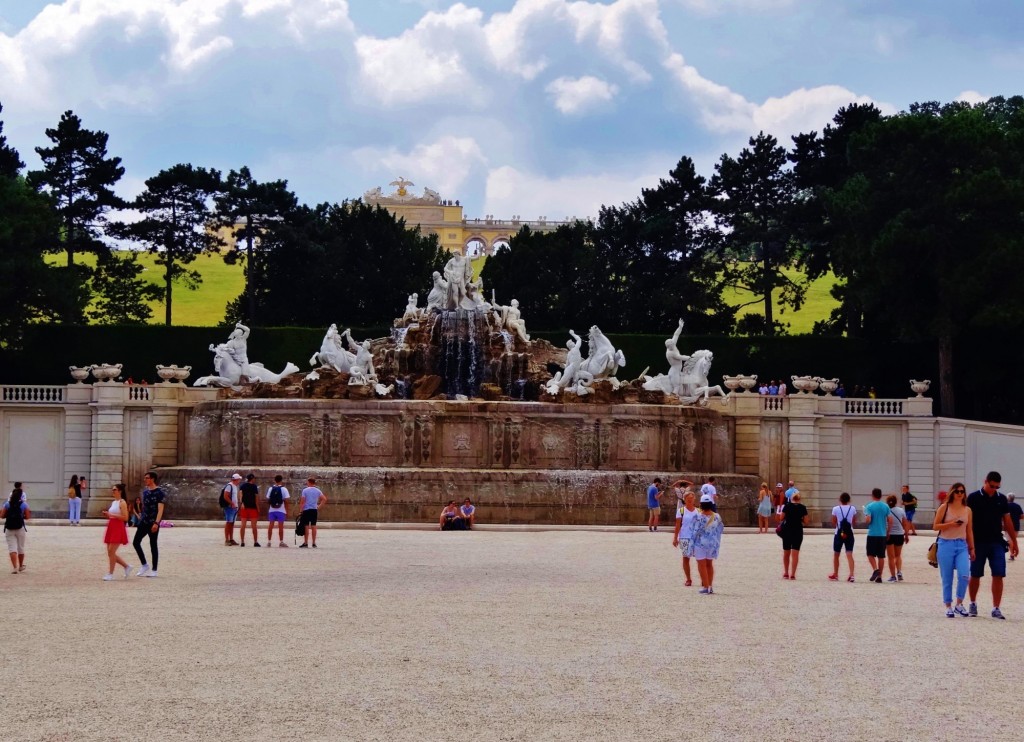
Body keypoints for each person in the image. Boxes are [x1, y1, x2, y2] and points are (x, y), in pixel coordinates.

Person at [966, 472, 1019, 619]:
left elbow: (1008, 522)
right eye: (992, 486)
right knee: (975, 574)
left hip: (996, 541)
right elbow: (967, 521)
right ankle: (972, 602)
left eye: (997, 487)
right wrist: (968, 543)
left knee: (998, 574)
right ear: (985, 481)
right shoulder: (973, 498)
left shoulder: (1001, 499)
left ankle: (996, 607)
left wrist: (1014, 541)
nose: (994, 489)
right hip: (978, 542)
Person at [934, 483, 974, 617]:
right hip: (946, 543)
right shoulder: (944, 507)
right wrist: (951, 524)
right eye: (957, 491)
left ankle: (959, 603)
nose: (960, 494)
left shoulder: (967, 510)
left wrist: (972, 548)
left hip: (961, 545)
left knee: (964, 574)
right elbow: (935, 526)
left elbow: (969, 531)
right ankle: (948, 605)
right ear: (952, 492)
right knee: (947, 577)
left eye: (962, 491)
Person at [133, 471, 165, 578]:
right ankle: (144, 564)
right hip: (144, 521)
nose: (145, 480)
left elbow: (160, 509)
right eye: (145, 478)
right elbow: (144, 507)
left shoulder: (160, 492)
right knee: (136, 542)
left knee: (153, 545)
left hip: (153, 522)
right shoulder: (145, 492)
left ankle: (154, 570)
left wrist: (157, 522)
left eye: (147, 478)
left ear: (152, 479)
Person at [691, 495, 724, 594]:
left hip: (700, 543)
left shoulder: (698, 516)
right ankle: (710, 585)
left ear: (701, 505)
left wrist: (691, 543)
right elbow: (720, 529)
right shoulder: (717, 516)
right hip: (712, 543)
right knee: (709, 564)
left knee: (701, 565)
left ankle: (706, 586)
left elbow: (694, 530)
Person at [101, 483, 132, 581]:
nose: (113, 491)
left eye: (114, 490)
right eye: (113, 490)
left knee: (111, 551)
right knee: (110, 552)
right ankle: (126, 566)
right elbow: (114, 515)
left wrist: (111, 514)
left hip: (118, 527)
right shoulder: (114, 502)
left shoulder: (122, 502)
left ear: (120, 491)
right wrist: (108, 515)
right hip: (112, 525)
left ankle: (110, 573)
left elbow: (125, 517)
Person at [864, 487, 893, 583]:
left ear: (872, 495)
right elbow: (890, 520)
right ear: (881, 495)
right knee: (881, 556)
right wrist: (888, 531)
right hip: (882, 534)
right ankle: (879, 576)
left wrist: (866, 520)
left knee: (870, 554)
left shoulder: (869, 506)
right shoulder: (886, 506)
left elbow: (868, 520)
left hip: (872, 533)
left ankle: (875, 569)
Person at [672, 492, 700, 587]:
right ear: (685, 500)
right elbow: (678, 525)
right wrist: (675, 538)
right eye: (688, 499)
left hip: (696, 538)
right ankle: (688, 579)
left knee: (700, 559)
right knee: (686, 558)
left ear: (694, 499)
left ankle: (703, 578)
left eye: (692, 498)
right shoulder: (681, 511)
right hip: (685, 537)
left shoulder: (698, 511)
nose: (690, 500)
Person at [829, 492, 857, 582]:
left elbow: (833, 521)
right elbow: (854, 521)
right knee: (849, 554)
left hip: (839, 533)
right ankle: (852, 574)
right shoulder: (852, 508)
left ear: (840, 499)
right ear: (849, 500)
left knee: (836, 554)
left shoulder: (836, 509)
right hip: (850, 533)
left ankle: (836, 574)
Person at [780, 492, 809, 579]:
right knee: (795, 553)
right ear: (799, 499)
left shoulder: (787, 506)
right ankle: (793, 574)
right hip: (797, 531)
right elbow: (806, 521)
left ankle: (786, 572)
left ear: (792, 498)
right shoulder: (803, 508)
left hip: (787, 530)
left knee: (786, 552)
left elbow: (781, 518)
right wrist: (800, 519)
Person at [2, 483, 30, 574]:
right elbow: (28, 516)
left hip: (9, 528)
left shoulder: (7, 504)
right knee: (20, 548)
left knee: (12, 548)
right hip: (20, 527)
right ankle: (21, 566)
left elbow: (2, 516)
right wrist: (21, 516)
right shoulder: (24, 504)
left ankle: (15, 567)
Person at [885, 495, 910, 582]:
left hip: (889, 534)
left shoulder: (886, 511)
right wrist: (906, 535)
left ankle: (893, 576)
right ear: (896, 502)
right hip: (899, 534)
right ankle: (899, 572)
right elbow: (905, 523)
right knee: (898, 555)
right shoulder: (901, 510)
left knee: (891, 557)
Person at [299, 478, 326, 548]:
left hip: (306, 510)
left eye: (307, 482)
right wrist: (318, 507)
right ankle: (314, 543)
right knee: (313, 526)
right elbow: (324, 499)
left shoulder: (305, 490)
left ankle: (306, 543)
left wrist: (300, 510)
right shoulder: (318, 490)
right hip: (314, 510)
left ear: (310, 482)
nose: (306, 483)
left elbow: (302, 501)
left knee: (306, 526)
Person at [265, 475, 290, 547]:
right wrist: (287, 511)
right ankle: (281, 542)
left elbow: (268, 499)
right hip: (281, 510)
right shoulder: (284, 489)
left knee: (270, 525)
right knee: (281, 526)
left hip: (272, 510)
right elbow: (286, 501)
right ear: (281, 480)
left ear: (274, 480)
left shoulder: (270, 488)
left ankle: (269, 542)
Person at [238, 473, 260, 547]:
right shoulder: (254, 487)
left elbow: (240, 494)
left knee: (243, 525)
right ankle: (255, 541)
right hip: (253, 507)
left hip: (244, 507)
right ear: (252, 479)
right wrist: (258, 508)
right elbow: (256, 498)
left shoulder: (242, 486)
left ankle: (242, 541)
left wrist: (242, 503)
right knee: (254, 526)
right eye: (254, 478)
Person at [222, 473, 241, 546]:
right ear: (236, 479)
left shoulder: (234, 486)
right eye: (239, 479)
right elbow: (225, 496)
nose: (239, 480)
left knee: (232, 523)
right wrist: (232, 503)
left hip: (234, 507)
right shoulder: (229, 486)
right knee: (229, 522)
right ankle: (227, 540)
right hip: (230, 507)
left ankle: (231, 539)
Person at [1008, 494, 1022, 560]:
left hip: (1007, 525)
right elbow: (1022, 516)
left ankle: (1011, 554)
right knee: (1013, 539)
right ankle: (1012, 553)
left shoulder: (1006, 505)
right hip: (1016, 525)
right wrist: (1016, 518)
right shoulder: (1018, 506)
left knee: (1010, 540)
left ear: (1008, 498)